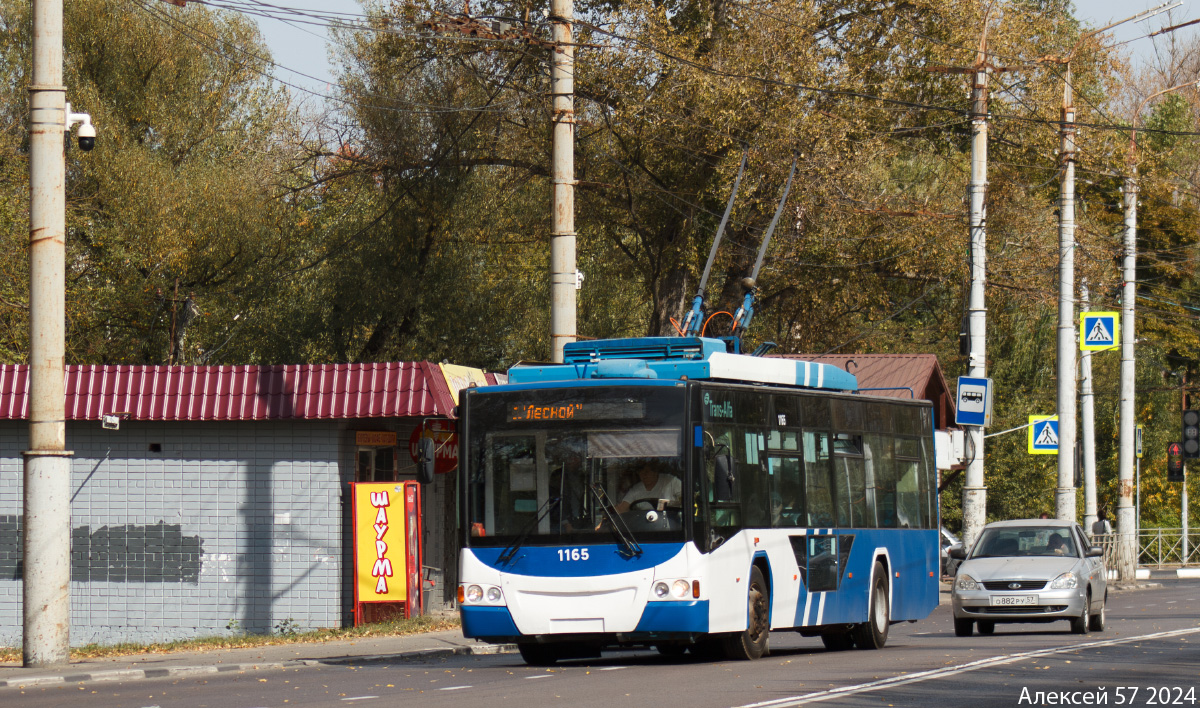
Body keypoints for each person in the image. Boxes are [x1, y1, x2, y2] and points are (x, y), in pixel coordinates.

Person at [614, 460, 682, 513]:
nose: (644, 475)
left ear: (655, 472)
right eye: (641, 472)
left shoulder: (671, 481)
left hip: (669, 522)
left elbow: (684, 501)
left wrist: (668, 505)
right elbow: (622, 508)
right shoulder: (635, 489)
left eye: (647, 471)